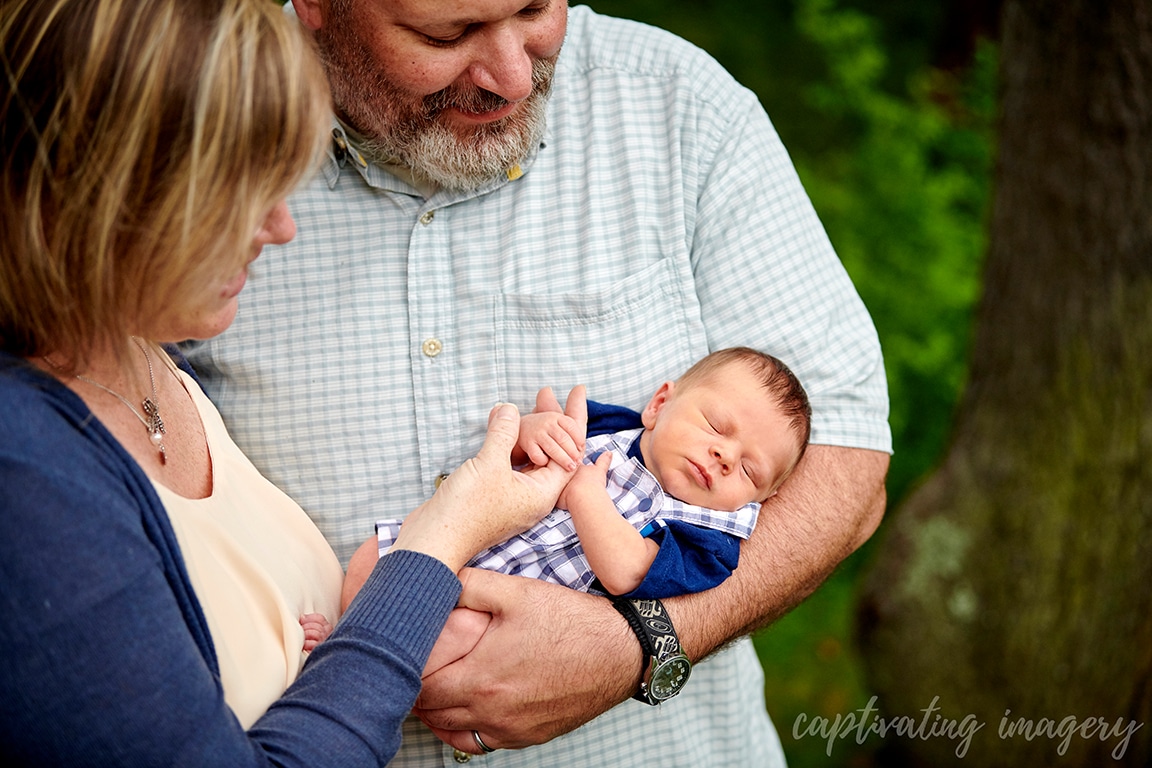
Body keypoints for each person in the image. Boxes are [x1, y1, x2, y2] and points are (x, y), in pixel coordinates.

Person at [186, 0, 892, 764]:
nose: (514, 75)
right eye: (447, 34)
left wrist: (636, 644)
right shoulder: (193, 131)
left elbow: (849, 463)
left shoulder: (679, 106)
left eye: (532, 9)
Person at [0, 0, 570, 763]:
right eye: (236, 195)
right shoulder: (23, 463)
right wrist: (438, 544)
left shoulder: (135, 347)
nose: (281, 227)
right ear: (90, 197)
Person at [345, 347, 812, 675]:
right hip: (468, 537)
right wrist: (533, 431)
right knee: (373, 557)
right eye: (715, 425)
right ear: (660, 404)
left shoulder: (707, 537)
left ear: (758, 501)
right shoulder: (606, 426)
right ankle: (338, 637)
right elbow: (514, 453)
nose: (724, 457)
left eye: (749, 471)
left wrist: (587, 495)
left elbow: (627, 572)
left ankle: (359, 673)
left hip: (502, 607)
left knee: (455, 638)